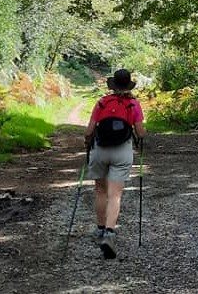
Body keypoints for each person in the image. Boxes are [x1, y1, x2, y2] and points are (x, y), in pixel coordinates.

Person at [84, 68, 146, 259]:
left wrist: (87, 143)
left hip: (100, 150)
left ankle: (101, 229)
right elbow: (141, 132)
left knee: (100, 191)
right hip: (122, 151)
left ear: (112, 85)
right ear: (128, 85)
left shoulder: (102, 102)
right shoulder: (133, 104)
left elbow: (89, 130)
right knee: (115, 195)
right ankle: (110, 233)